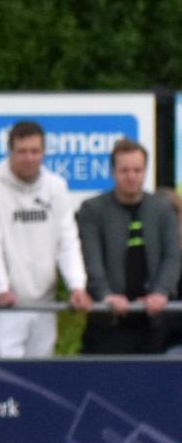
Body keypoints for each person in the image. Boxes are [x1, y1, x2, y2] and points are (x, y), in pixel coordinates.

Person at [0, 120, 92, 358]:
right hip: (2, 304)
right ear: (10, 152)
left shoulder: (57, 187)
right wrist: (0, 288)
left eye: (35, 151)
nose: (29, 158)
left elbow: (67, 240)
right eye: (22, 151)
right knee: (7, 375)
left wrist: (77, 285)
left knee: (41, 373)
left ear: (44, 152)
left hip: (43, 301)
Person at [76, 139, 179, 354]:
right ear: (113, 171)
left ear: (145, 171)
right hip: (107, 324)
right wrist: (105, 295)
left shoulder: (162, 209)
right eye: (124, 170)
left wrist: (160, 293)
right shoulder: (92, 210)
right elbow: (90, 259)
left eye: (137, 170)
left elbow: (172, 256)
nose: (131, 176)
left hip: (154, 324)